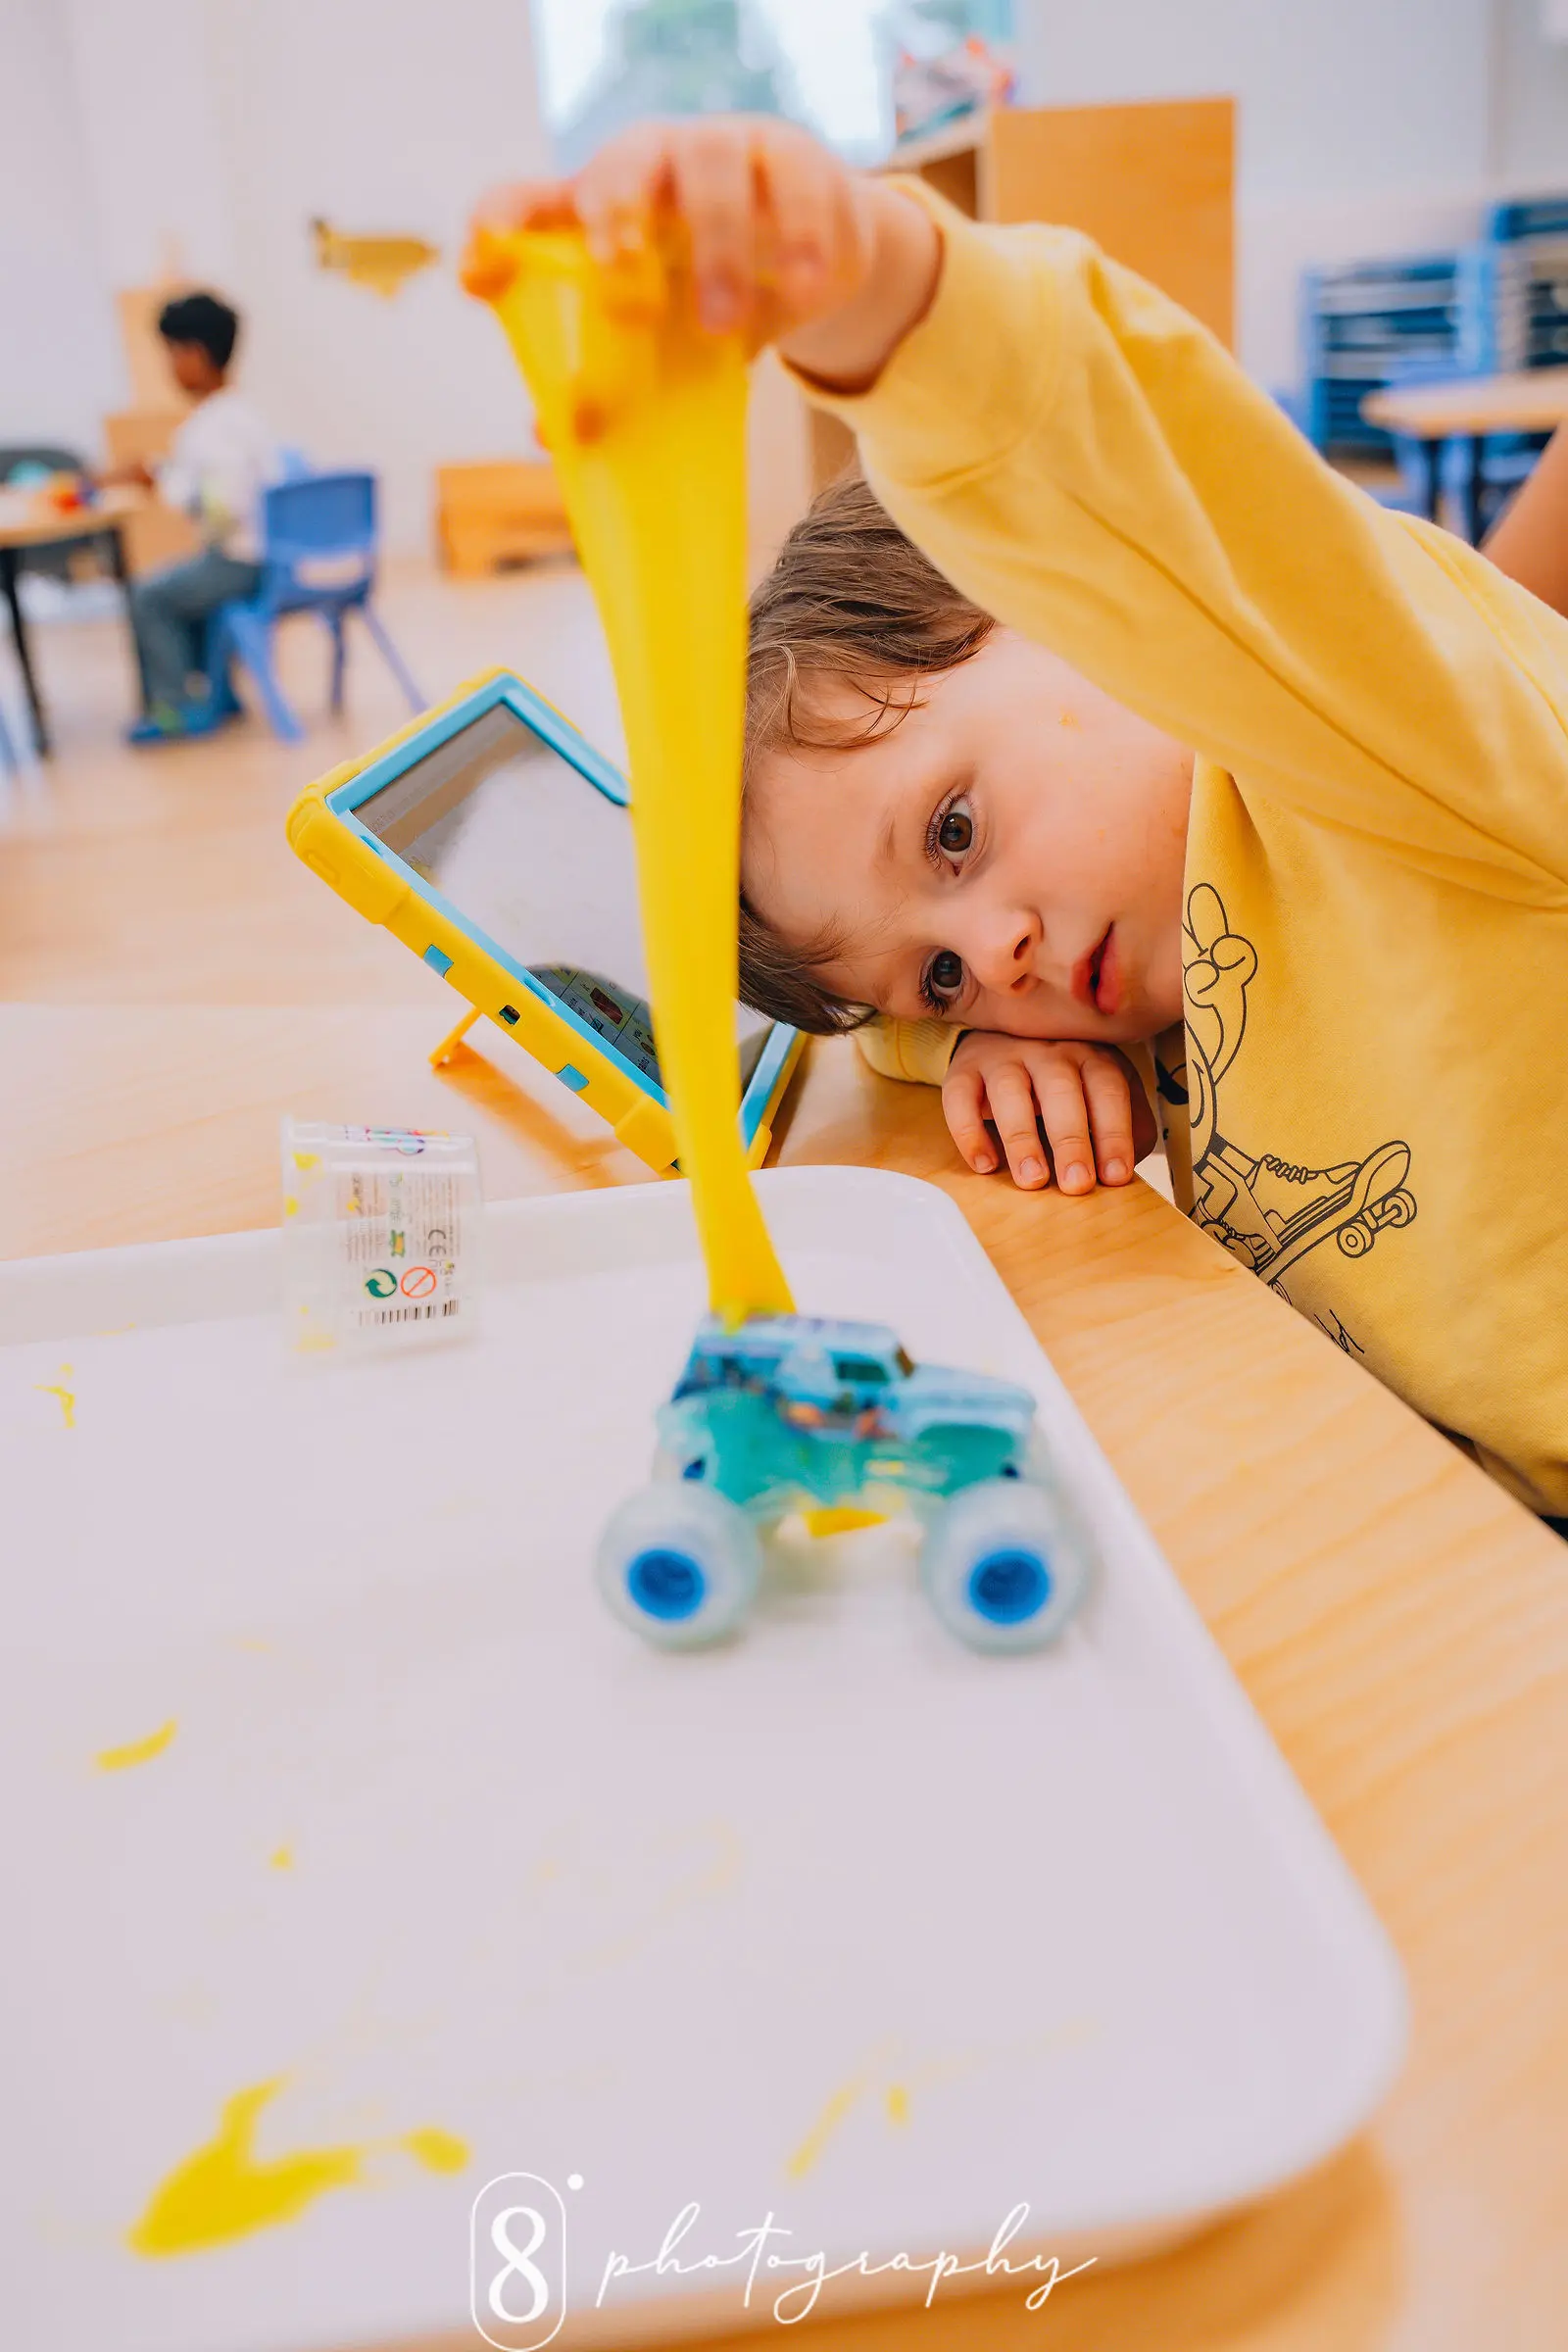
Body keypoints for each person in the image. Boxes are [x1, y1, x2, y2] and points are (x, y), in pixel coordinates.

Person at [475, 121, 1568, 1525]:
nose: (998, 955)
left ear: (1066, 606)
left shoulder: (1363, 740)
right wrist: (961, 1033)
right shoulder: (1113, 941)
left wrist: (885, 289)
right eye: (936, 967)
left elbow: (1137, 491)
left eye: (950, 833)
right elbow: (885, 999)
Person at [104, 291, 279, 742]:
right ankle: (217, 693)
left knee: (150, 595)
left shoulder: (208, 427)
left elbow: (223, 503)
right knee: (182, 584)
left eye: (171, 354)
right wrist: (165, 474)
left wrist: (169, 486)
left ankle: (173, 709)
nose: (169, 367)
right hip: (269, 554)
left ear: (195, 354)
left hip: (239, 558)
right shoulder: (243, 414)